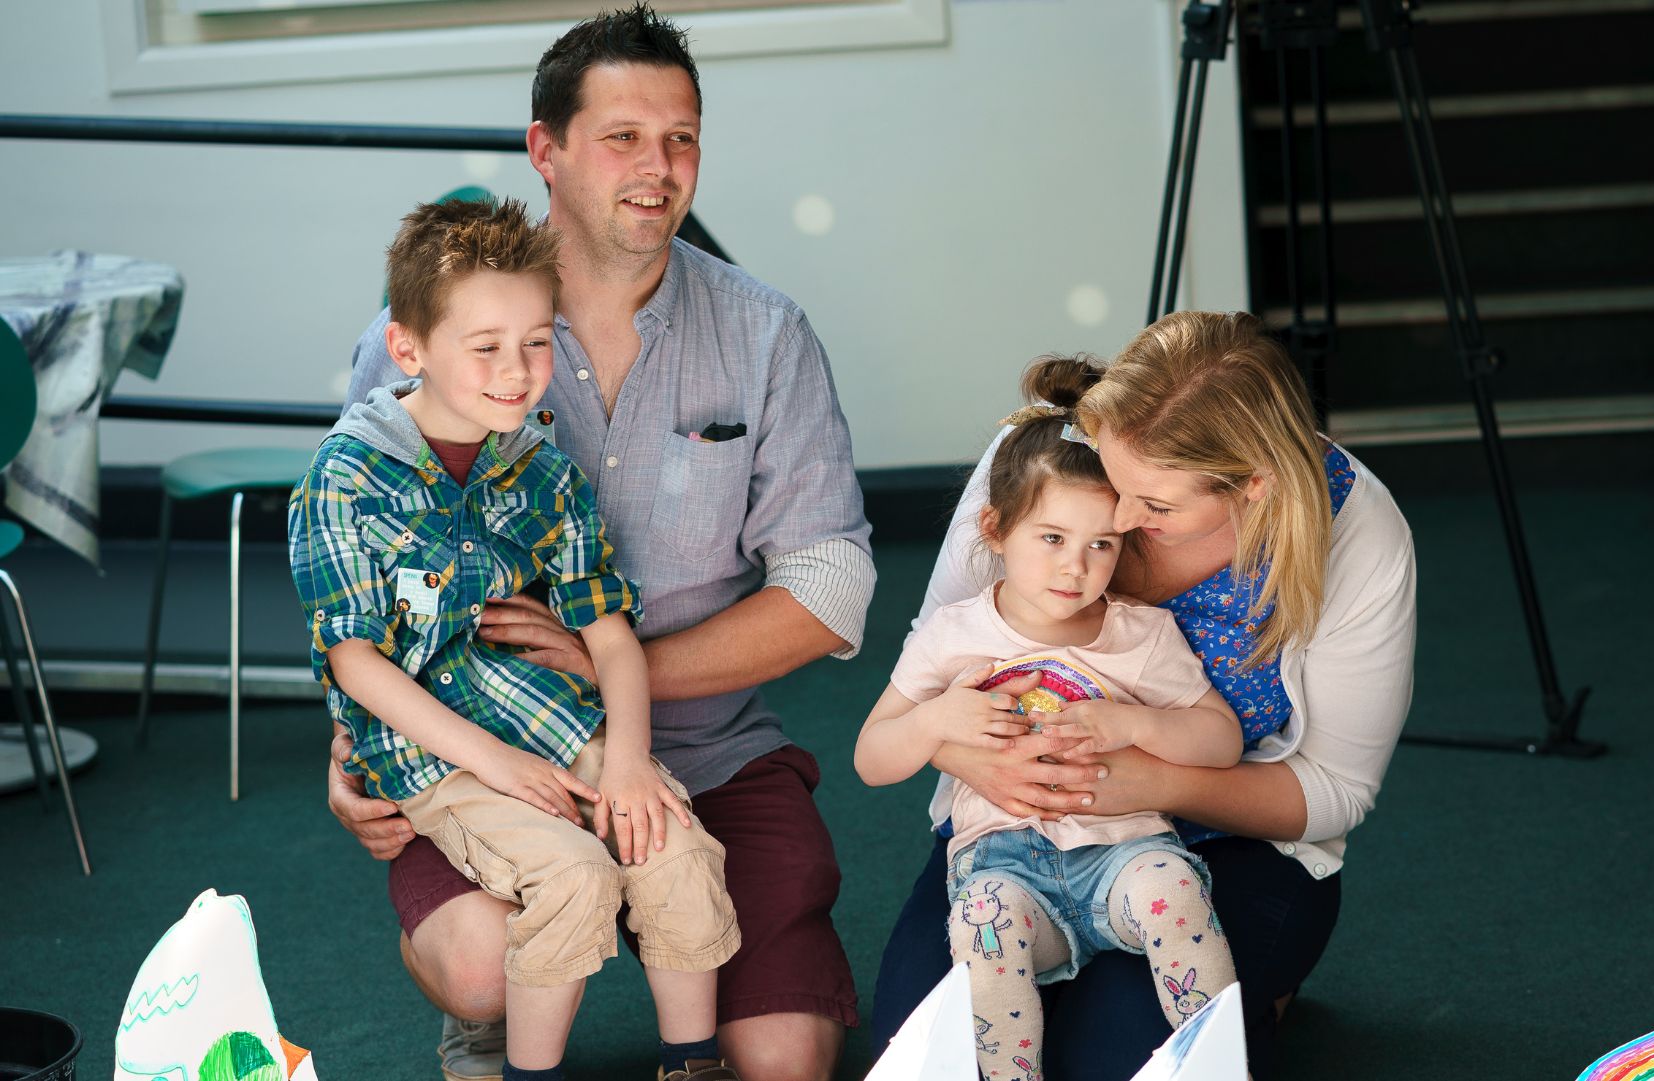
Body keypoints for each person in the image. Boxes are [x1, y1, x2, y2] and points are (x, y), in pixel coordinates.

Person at [330, 7, 874, 1081]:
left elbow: (832, 584)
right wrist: (346, 759)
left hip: (711, 751)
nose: (659, 167)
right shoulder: (431, 341)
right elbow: (356, 581)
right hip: (491, 756)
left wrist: (619, 674)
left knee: (786, 1063)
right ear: (547, 148)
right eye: (622, 136)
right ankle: (489, 1019)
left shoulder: (767, 334)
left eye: (682, 137)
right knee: (486, 966)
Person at [873, 311, 1417, 1079]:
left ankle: (1254, 992)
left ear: (1253, 488)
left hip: (1222, 848)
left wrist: (1148, 782)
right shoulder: (1044, 464)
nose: (1121, 523)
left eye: (1155, 508)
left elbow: (1335, 789)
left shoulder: (1359, 534)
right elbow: (941, 659)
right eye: (1113, 482)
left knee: (1116, 1060)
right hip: (1015, 832)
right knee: (933, 1052)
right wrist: (980, 757)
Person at [292, 198, 741, 1081]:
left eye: (537, 341)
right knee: (572, 872)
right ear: (409, 348)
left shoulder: (541, 469)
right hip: (434, 749)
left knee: (676, 843)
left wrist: (628, 761)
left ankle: (692, 1064)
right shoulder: (344, 477)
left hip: (546, 718)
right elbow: (354, 661)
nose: (518, 370)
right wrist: (495, 766)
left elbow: (609, 636)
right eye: (486, 345)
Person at [853, 366, 1247, 1081]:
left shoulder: (1143, 635)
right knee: (981, 921)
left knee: (1175, 891)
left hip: (1123, 859)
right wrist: (939, 718)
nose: (1077, 567)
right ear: (996, 529)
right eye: (1053, 537)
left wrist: (1133, 723)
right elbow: (872, 756)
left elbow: (1221, 739)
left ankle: (1213, 1060)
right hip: (1005, 869)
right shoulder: (954, 634)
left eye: (1101, 544)